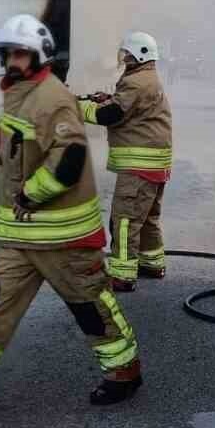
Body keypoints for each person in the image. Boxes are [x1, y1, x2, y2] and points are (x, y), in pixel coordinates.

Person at [0, 14, 142, 414]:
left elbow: (68, 159)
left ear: (40, 55)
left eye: (21, 54)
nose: (13, 61)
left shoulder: (52, 98)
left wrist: (30, 195)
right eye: (8, 54)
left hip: (63, 239)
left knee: (92, 309)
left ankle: (124, 372)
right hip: (19, 238)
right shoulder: (17, 94)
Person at [78, 31, 173, 293]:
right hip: (154, 165)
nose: (124, 58)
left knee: (124, 221)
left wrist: (76, 108)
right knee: (148, 218)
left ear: (140, 54)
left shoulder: (137, 82)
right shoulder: (146, 78)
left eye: (127, 54)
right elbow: (128, 107)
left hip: (139, 166)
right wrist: (107, 98)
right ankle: (153, 264)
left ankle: (122, 275)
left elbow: (111, 115)